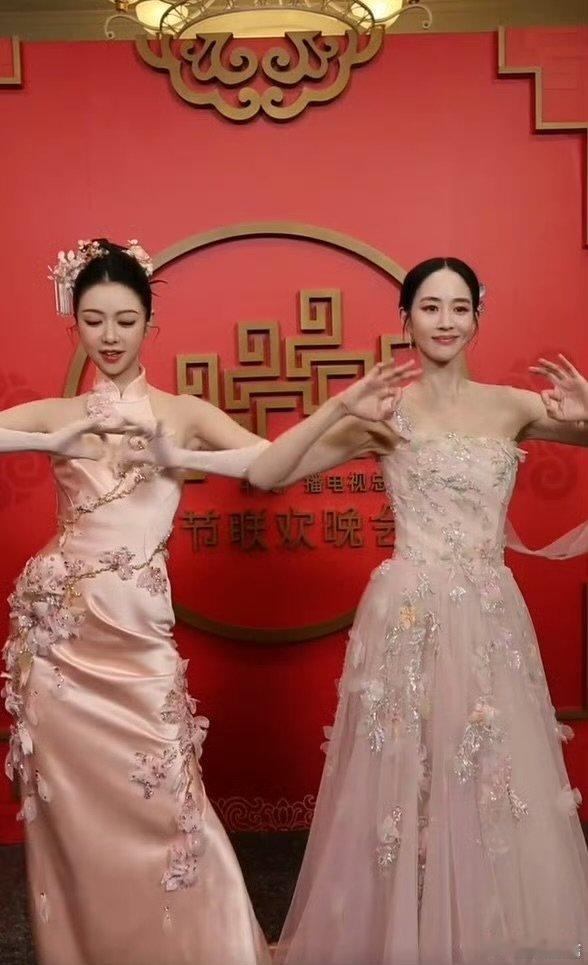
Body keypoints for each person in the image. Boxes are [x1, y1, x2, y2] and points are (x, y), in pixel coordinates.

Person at [247, 257, 588, 965]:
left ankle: (477, 937)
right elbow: (267, 473)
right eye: (430, 307)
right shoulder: (386, 414)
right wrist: (340, 408)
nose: (445, 321)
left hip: (490, 616)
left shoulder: (512, 406)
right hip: (407, 615)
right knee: (407, 778)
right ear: (405, 318)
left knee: (489, 773)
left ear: (478, 318)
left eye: (459, 307)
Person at [1, 238, 273, 965]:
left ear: (151, 321)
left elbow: (269, 463)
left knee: (168, 803)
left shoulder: (181, 413)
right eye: (94, 321)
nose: (110, 336)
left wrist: (187, 458)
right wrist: (43, 439)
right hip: (58, 636)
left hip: (137, 629)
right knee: (75, 815)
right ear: (76, 324)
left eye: (125, 320)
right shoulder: (61, 412)